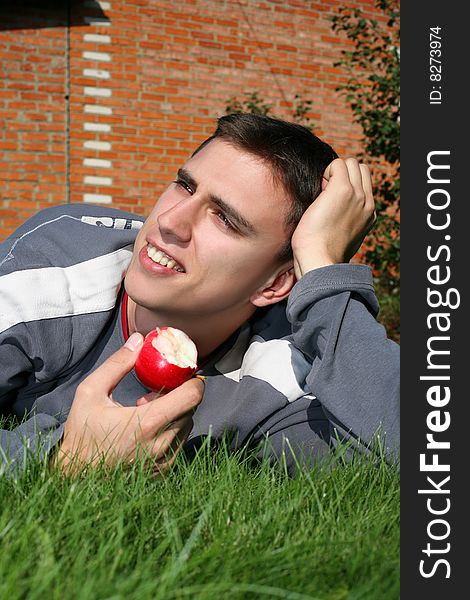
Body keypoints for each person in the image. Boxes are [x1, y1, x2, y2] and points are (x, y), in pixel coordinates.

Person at [0, 113, 399, 476]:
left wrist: (323, 268)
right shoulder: (54, 271)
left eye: (224, 219)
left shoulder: (281, 366)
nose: (169, 221)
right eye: (184, 185)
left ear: (275, 285)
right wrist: (59, 458)